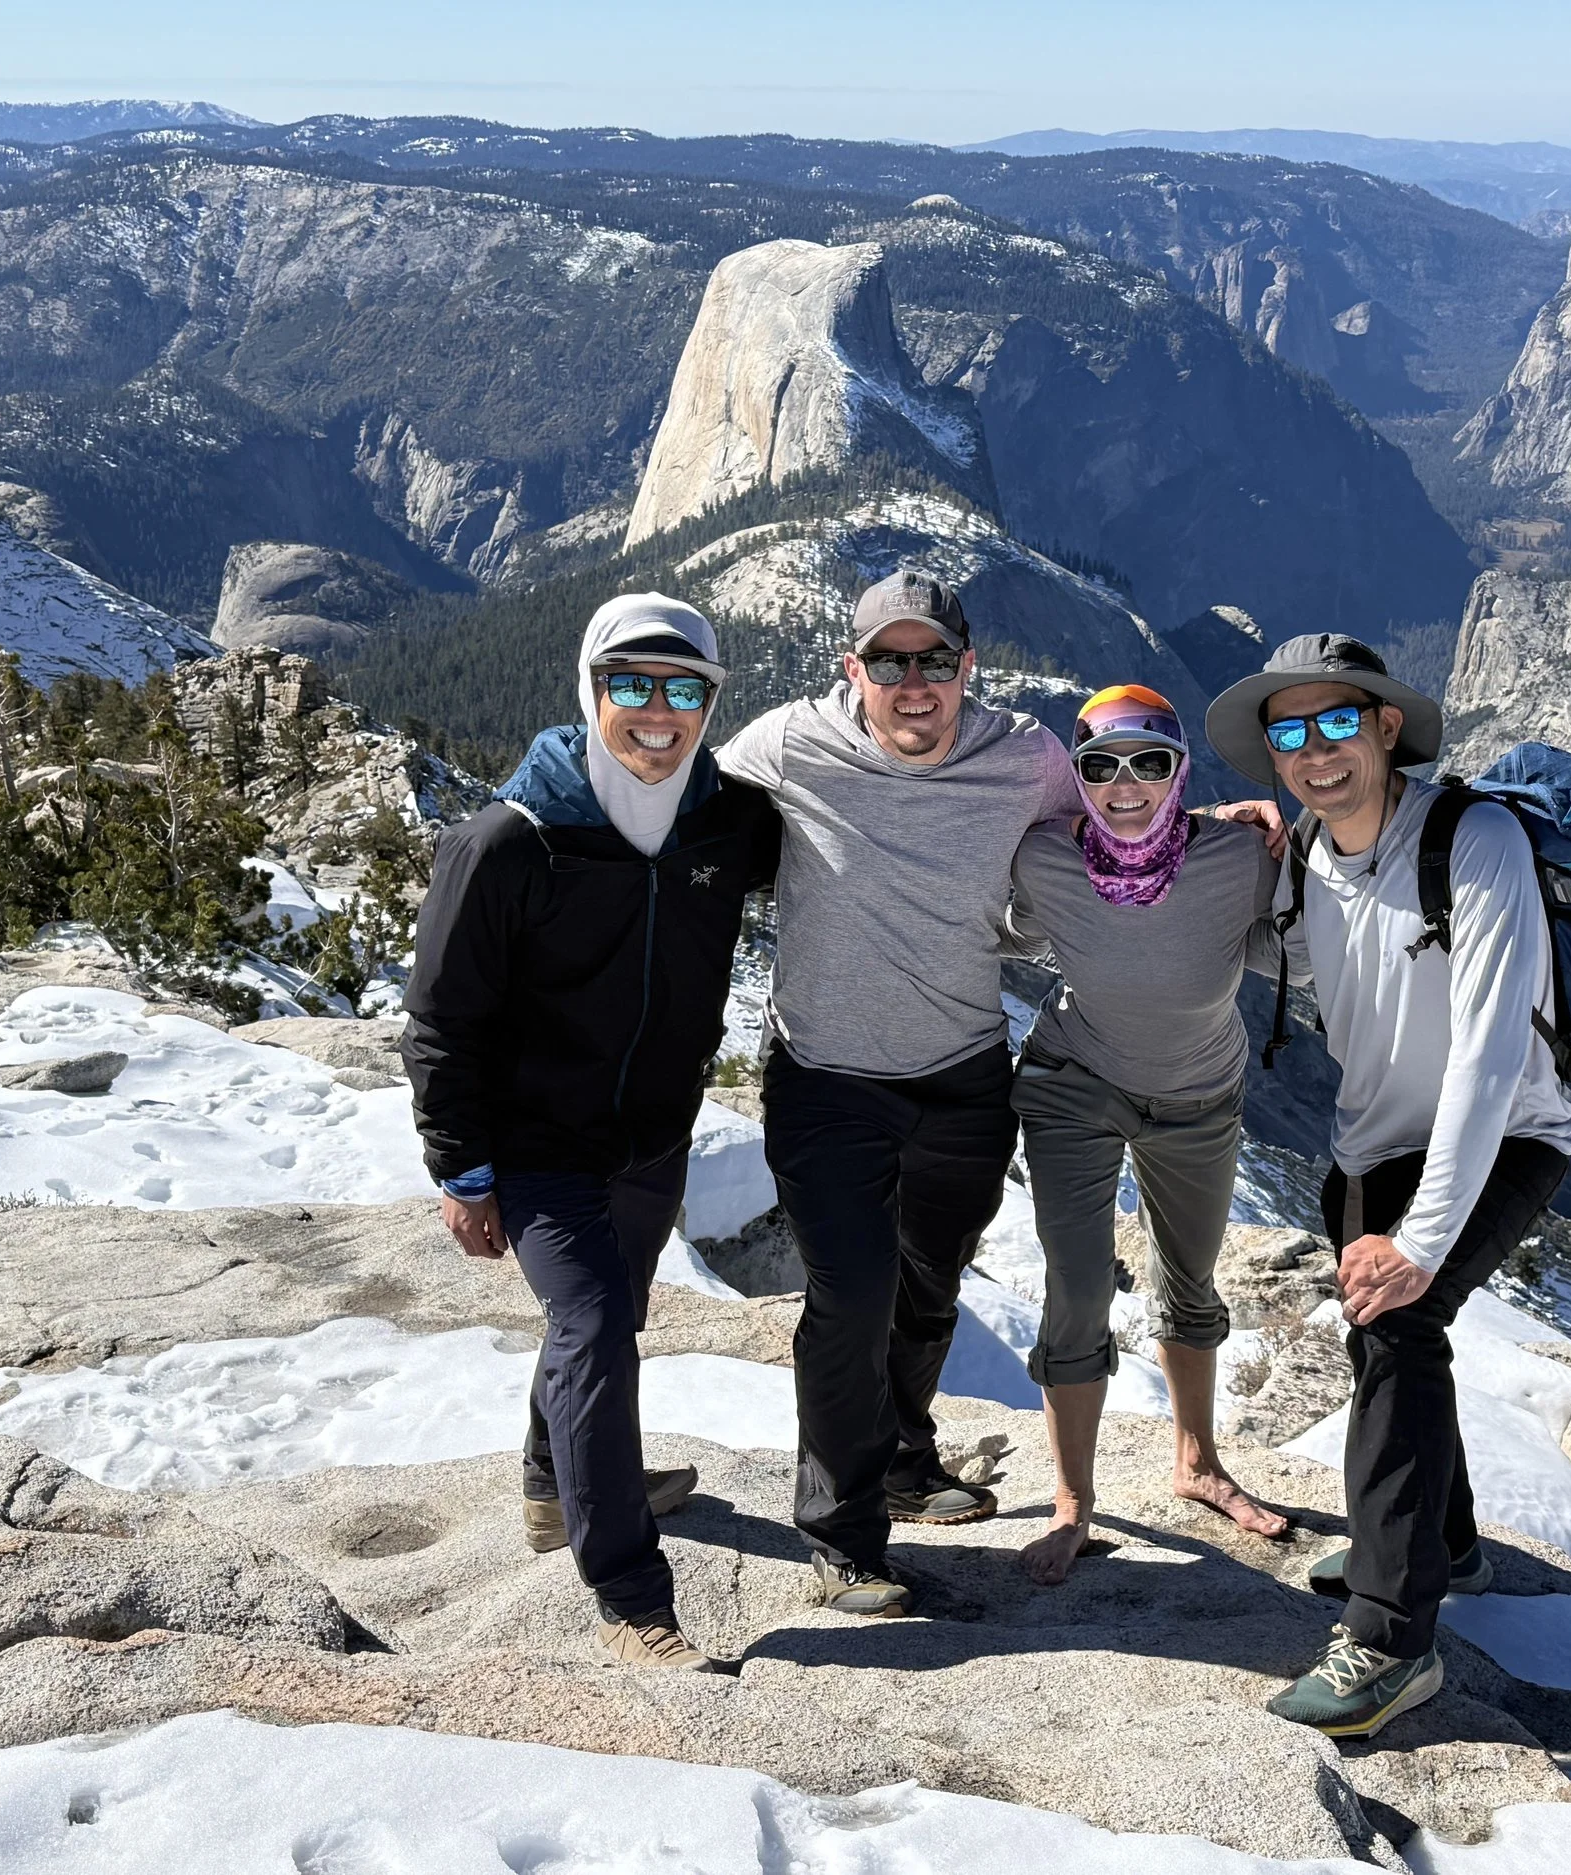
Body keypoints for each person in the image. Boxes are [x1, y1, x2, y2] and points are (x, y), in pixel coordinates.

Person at [1204, 633, 1571, 1739]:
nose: (1313, 751)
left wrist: (1419, 1240)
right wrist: (1223, 867)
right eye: (1289, 730)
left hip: (1507, 1131)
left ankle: (1390, 1635)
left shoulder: (1478, 840)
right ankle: (1444, 1541)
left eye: (1335, 724)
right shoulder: (1310, 850)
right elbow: (1310, 964)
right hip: (1368, 1146)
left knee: (1401, 1327)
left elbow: (1489, 1051)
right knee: (1386, 1339)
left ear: (1384, 728)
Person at [401, 593, 780, 1671]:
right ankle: (630, 1596)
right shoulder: (510, 843)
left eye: (685, 690)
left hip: (653, 1138)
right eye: (631, 685)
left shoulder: (728, 824)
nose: (658, 713)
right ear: (589, 688)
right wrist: (461, 1169)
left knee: (601, 1324)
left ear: (712, 701)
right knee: (597, 1323)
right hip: (536, 1146)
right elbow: (441, 1017)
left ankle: (549, 1484)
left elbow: (865, 835)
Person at [715, 569, 1080, 1618]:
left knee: (930, 1286)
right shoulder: (788, 743)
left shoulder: (1026, 756)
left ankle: (905, 1459)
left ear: (966, 667)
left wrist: (1221, 832)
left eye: (933, 661)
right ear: (853, 668)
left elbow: (1107, 838)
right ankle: (842, 1534)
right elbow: (680, 819)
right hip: (825, 1077)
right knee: (850, 1297)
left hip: (965, 1072)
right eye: (889, 661)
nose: (912, 683)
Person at [1002, 685, 1293, 1586]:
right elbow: (992, 913)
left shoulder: (1242, 857)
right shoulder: (1043, 857)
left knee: (1192, 1279)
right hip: (1072, 1086)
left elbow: (1316, 935)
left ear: (1180, 771)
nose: (1125, 785)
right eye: (1100, 766)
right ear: (1077, 779)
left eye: (1149, 763)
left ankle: (1196, 1461)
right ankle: (1073, 1501)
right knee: (1079, 1288)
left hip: (1200, 1094)